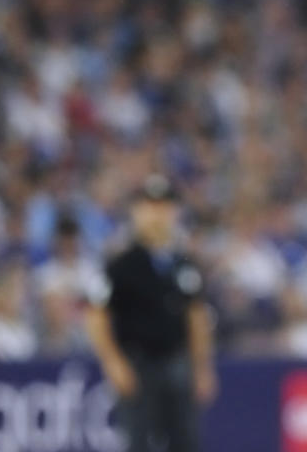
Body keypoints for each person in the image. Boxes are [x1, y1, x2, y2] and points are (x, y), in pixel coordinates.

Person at [86, 174, 217, 452]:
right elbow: (96, 315)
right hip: (138, 364)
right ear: (136, 211)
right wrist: (113, 362)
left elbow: (196, 317)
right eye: (150, 206)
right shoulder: (120, 264)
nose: (158, 214)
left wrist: (202, 367)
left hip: (177, 364)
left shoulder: (184, 264)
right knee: (139, 442)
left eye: (164, 206)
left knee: (186, 442)